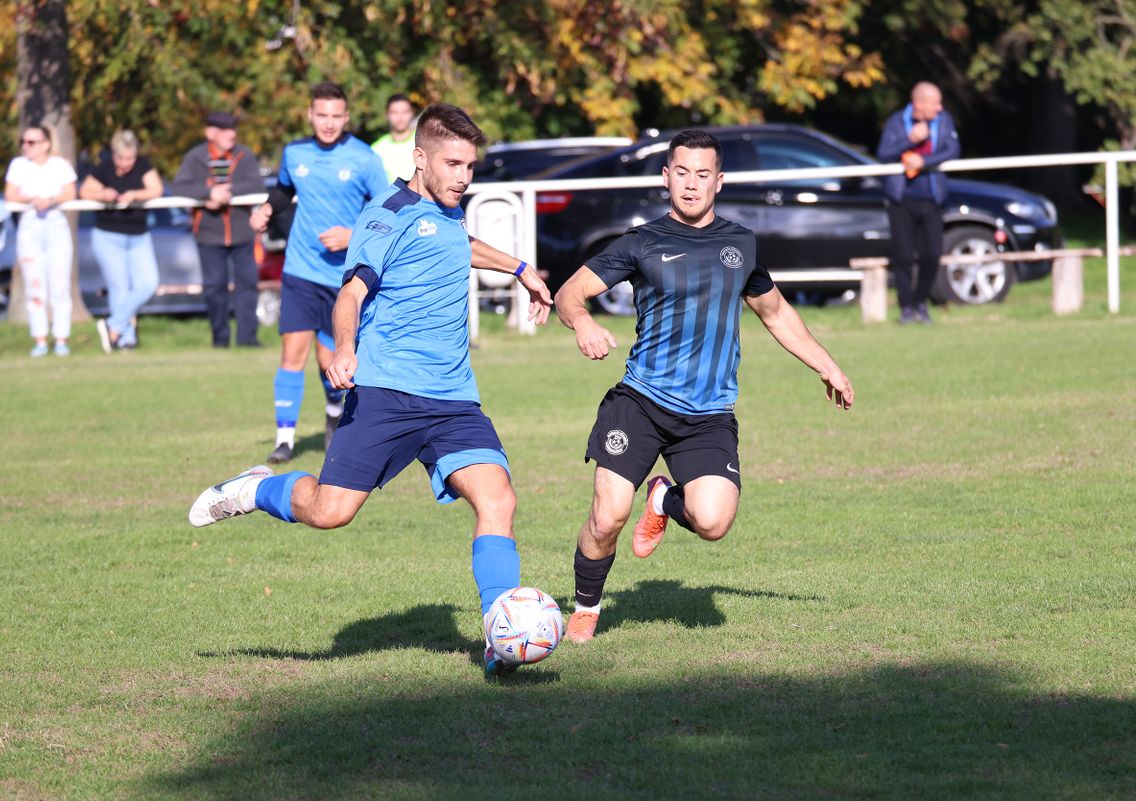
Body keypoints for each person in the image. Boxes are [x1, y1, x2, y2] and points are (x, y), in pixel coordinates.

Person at [189, 103, 554, 677]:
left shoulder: (447, 209)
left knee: (498, 500)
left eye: (471, 166)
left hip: (453, 397)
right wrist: (345, 347)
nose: (464, 177)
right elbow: (351, 293)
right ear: (419, 158)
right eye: (453, 164)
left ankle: (496, 634)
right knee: (331, 512)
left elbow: (455, 244)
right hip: (385, 392)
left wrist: (520, 268)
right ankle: (257, 490)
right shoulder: (385, 215)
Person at [552, 129, 855, 644]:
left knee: (713, 522)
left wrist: (826, 364)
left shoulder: (741, 243)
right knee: (608, 517)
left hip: (709, 415)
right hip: (640, 403)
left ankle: (664, 500)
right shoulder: (640, 242)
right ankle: (586, 606)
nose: (691, 185)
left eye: (703, 174)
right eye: (682, 173)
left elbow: (775, 312)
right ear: (666, 176)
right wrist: (582, 323)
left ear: (719, 180)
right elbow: (569, 293)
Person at [249, 82, 390, 465]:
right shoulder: (295, 153)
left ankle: (332, 414)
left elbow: (390, 210)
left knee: (330, 360)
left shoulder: (363, 159)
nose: (328, 123)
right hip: (299, 270)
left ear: (346, 117)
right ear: (310, 115)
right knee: (291, 352)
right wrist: (265, 209)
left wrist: (351, 235)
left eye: (336, 116)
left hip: (343, 280)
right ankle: (284, 439)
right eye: (321, 115)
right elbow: (283, 191)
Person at [172, 111, 265, 348]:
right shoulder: (195, 157)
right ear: (210, 132)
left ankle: (248, 338)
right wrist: (208, 194)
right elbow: (180, 187)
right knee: (215, 287)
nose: (231, 134)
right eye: (225, 129)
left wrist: (229, 191)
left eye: (233, 129)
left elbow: (256, 184)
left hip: (242, 232)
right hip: (209, 233)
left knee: (247, 285)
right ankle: (220, 339)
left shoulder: (244, 155)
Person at [876, 81, 961, 324]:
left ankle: (920, 302)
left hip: (932, 198)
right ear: (919, 104)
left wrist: (925, 162)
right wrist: (909, 141)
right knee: (902, 255)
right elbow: (884, 154)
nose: (939, 107)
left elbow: (953, 149)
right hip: (901, 199)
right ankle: (906, 308)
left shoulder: (943, 120)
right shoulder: (896, 122)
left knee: (932, 254)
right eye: (935, 103)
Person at [79, 130, 164, 351]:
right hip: (108, 235)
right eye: (122, 158)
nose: (126, 163)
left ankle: (113, 326)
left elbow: (156, 189)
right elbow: (85, 190)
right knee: (119, 288)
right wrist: (103, 194)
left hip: (138, 235)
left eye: (130, 158)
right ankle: (125, 340)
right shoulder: (104, 168)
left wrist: (135, 195)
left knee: (148, 284)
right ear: (114, 155)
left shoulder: (143, 166)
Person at [4, 125, 77, 357]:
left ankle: (62, 338)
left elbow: (70, 192)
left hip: (56, 226)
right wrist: (31, 199)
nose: (26, 146)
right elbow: (10, 194)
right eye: (23, 141)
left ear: (46, 144)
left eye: (32, 142)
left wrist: (51, 199)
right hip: (30, 227)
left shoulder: (59, 165)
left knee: (60, 284)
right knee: (35, 285)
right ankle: (40, 339)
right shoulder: (18, 166)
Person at [370, 94, 416, 183]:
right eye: (395, 112)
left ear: (412, 113)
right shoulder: (376, 149)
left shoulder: (423, 142)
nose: (400, 117)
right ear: (387, 115)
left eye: (405, 112)